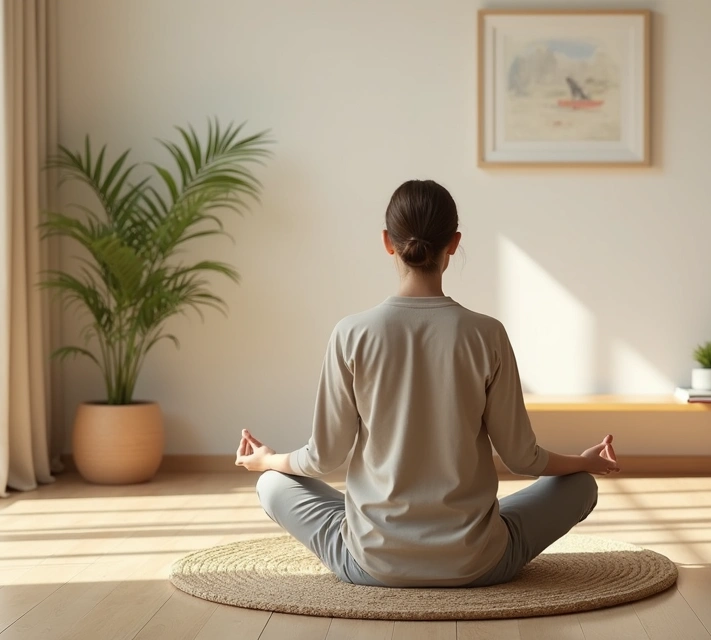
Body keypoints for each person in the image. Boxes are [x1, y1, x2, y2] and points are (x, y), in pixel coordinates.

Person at [234, 179, 619, 588]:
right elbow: (522, 459)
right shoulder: (487, 334)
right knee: (580, 486)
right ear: (453, 243)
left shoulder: (351, 333)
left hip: (371, 563)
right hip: (478, 563)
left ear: (388, 242)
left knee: (272, 484)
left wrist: (267, 460)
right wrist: (585, 462)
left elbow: (322, 458)